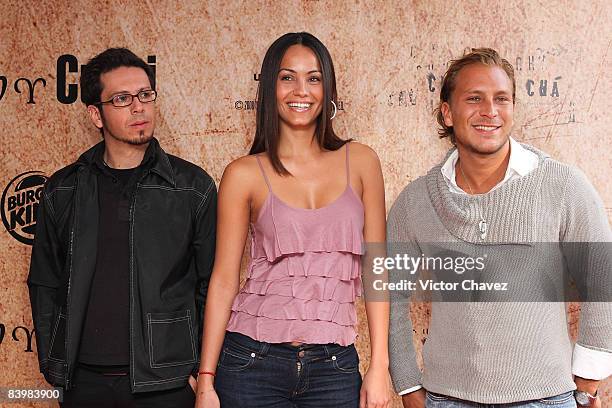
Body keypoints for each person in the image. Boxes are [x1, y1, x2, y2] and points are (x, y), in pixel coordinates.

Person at [387, 48, 611, 407]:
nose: (490, 111)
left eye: (501, 99)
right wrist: (409, 389)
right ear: (447, 111)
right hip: (446, 399)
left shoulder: (563, 186)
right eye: (474, 98)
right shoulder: (415, 202)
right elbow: (391, 297)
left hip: (546, 399)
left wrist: (587, 386)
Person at [194, 32, 390, 408]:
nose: (301, 90)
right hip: (251, 364)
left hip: (334, 369)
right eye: (288, 77)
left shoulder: (363, 161)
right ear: (270, 87)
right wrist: (206, 381)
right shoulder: (244, 174)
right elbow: (222, 280)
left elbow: (377, 270)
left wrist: (379, 365)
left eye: (314, 78)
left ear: (327, 88)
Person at [27, 47, 217, 407]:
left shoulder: (192, 188)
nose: (139, 107)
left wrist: (198, 371)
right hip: (83, 383)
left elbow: (212, 285)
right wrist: (54, 366)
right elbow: (45, 281)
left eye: (145, 95)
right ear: (95, 115)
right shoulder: (63, 189)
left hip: (166, 382)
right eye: (122, 99)